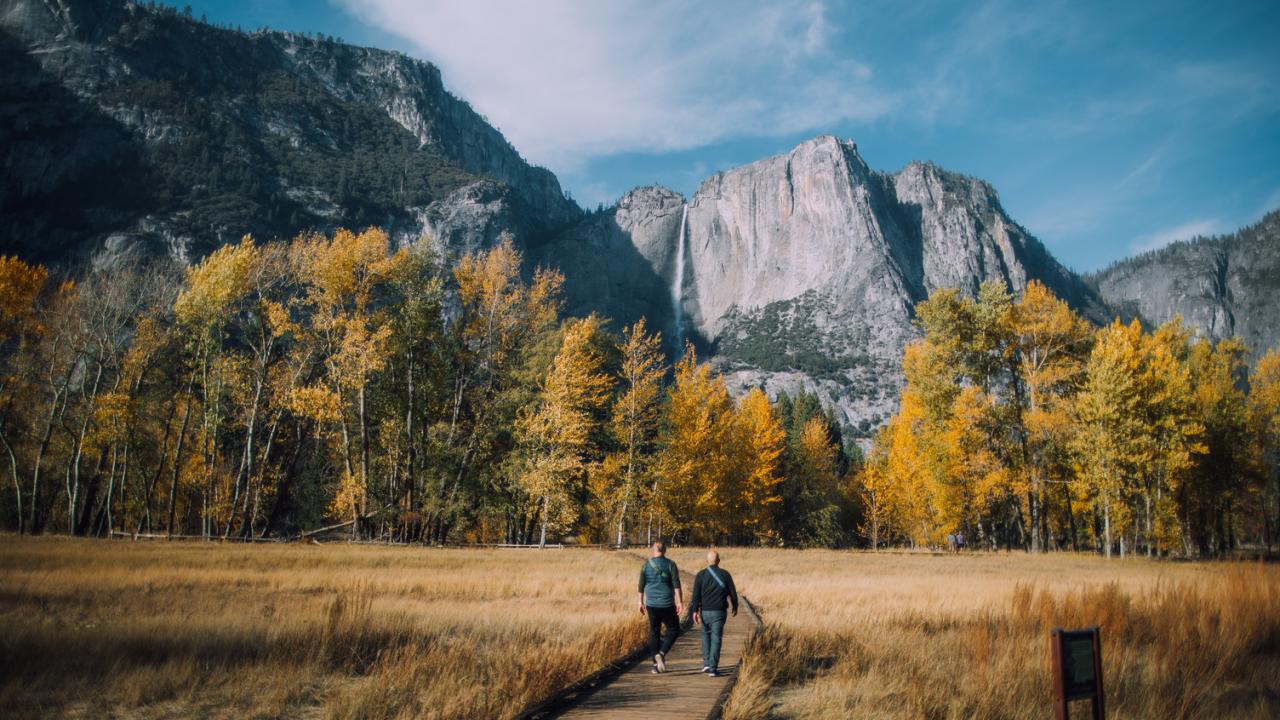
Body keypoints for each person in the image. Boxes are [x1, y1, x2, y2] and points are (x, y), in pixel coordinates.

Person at [690, 548, 738, 677]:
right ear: (719, 561)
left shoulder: (700, 575)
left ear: (707, 561)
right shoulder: (725, 574)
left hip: (704, 611)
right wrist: (735, 606)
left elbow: (695, 595)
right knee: (716, 639)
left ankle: (706, 663)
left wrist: (694, 611)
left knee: (705, 636)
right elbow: (732, 592)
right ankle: (713, 668)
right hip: (719, 612)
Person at [638, 540, 682, 674]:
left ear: (653, 550)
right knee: (674, 628)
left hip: (651, 604)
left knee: (654, 631)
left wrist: (640, 602)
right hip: (667, 603)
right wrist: (680, 602)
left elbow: (641, 585)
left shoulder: (646, 565)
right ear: (665, 550)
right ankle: (662, 653)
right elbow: (676, 585)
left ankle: (654, 666)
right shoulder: (671, 564)